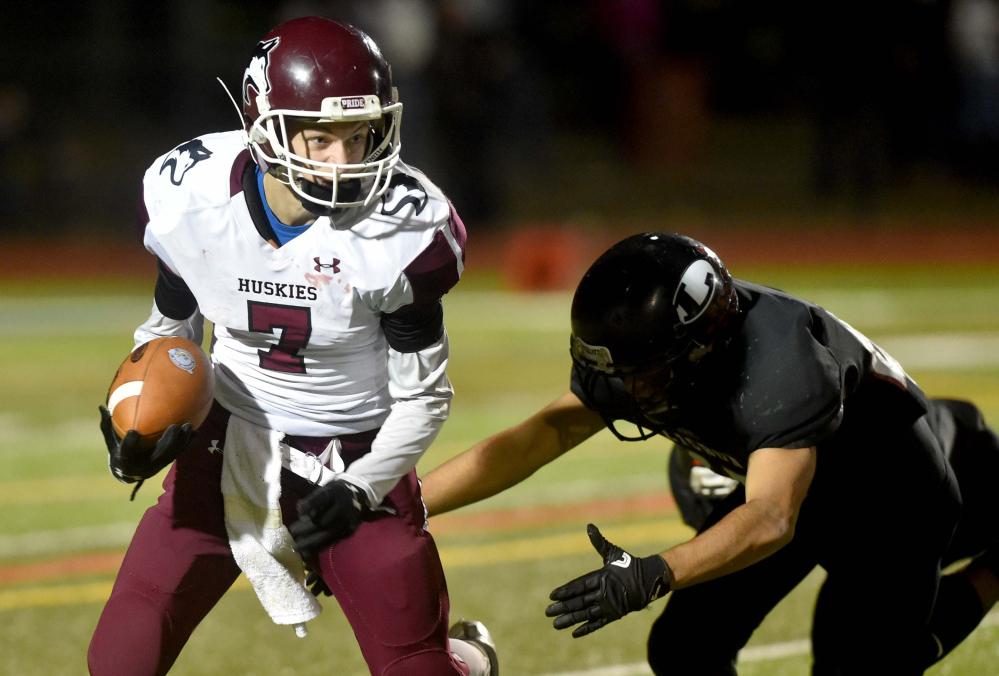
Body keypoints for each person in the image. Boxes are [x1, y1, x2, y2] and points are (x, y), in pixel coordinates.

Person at [88, 17, 499, 676]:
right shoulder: (191, 196)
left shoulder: (404, 228)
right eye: (320, 138)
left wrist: (360, 489)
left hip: (355, 450)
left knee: (416, 668)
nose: (345, 162)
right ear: (266, 130)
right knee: (118, 662)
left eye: (360, 136)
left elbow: (424, 399)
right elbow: (169, 327)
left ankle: (471, 664)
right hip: (225, 443)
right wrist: (133, 411)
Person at [420, 232, 999, 675]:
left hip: (891, 503)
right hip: (789, 481)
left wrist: (655, 573)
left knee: (860, 663)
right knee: (684, 648)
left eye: (641, 371)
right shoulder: (658, 353)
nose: (625, 385)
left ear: (701, 350)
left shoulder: (780, 367)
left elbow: (772, 518)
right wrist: (401, 505)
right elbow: (540, 436)